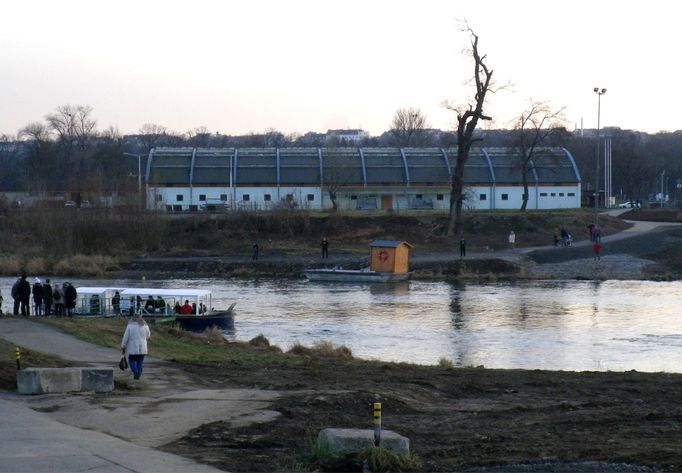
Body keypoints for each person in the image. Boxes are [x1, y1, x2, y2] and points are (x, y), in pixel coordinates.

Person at [121, 314, 151, 380]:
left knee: (131, 360)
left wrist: (123, 345)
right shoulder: (144, 325)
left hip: (133, 347)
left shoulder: (130, 326)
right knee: (140, 361)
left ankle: (135, 371)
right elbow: (148, 335)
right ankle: (139, 373)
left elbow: (125, 337)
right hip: (142, 348)